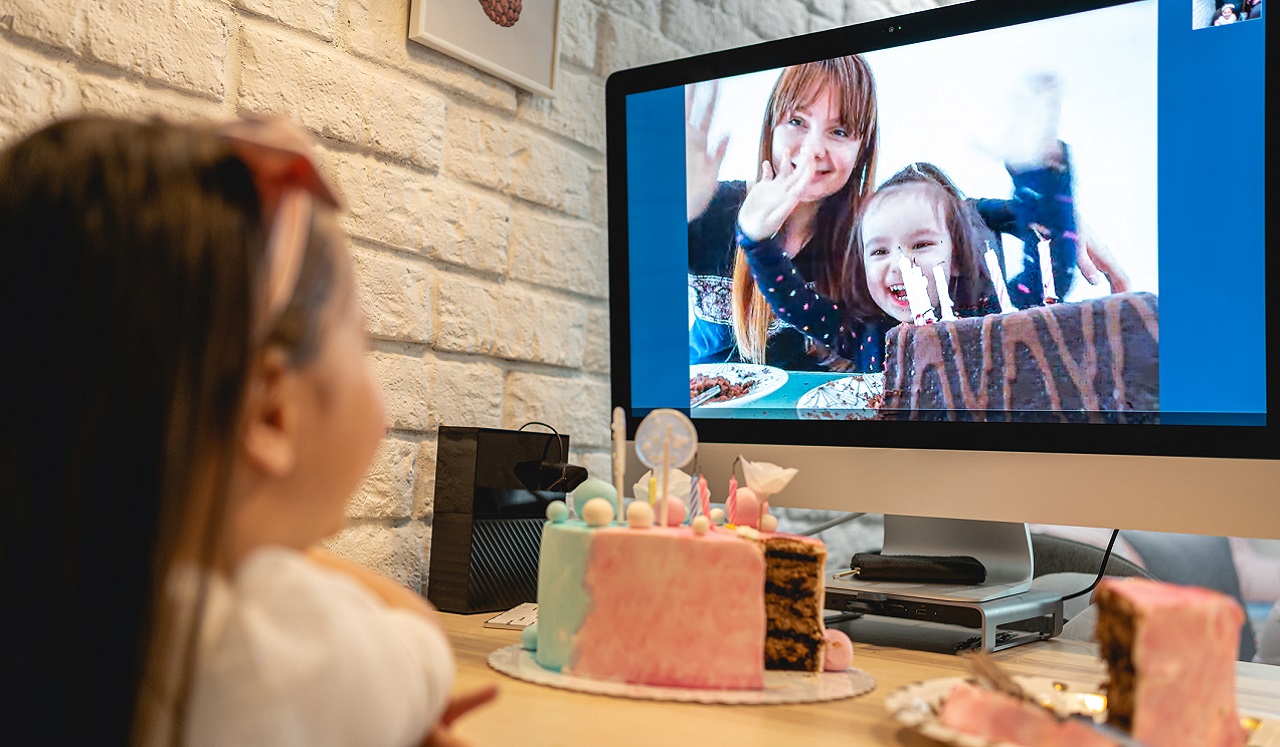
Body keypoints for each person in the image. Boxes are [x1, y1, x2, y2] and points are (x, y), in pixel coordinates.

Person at [0, 115, 495, 746]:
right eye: (362, 344)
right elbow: (423, 640)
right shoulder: (268, 657)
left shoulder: (52, 615)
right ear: (270, 414)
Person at [686, 61, 1126, 371]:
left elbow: (1033, 261)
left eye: (839, 130)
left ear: (862, 147)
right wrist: (744, 235)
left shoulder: (991, 325)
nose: (814, 148)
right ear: (771, 127)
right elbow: (791, 299)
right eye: (797, 121)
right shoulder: (863, 339)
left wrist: (1045, 195)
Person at [741, 161, 1071, 372]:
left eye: (922, 245)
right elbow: (796, 306)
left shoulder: (995, 317)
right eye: (880, 251)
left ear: (955, 258)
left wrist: (1037, 167)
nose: (901, 264)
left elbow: (1050, 258)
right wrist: (755, 242)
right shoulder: (865, 335)